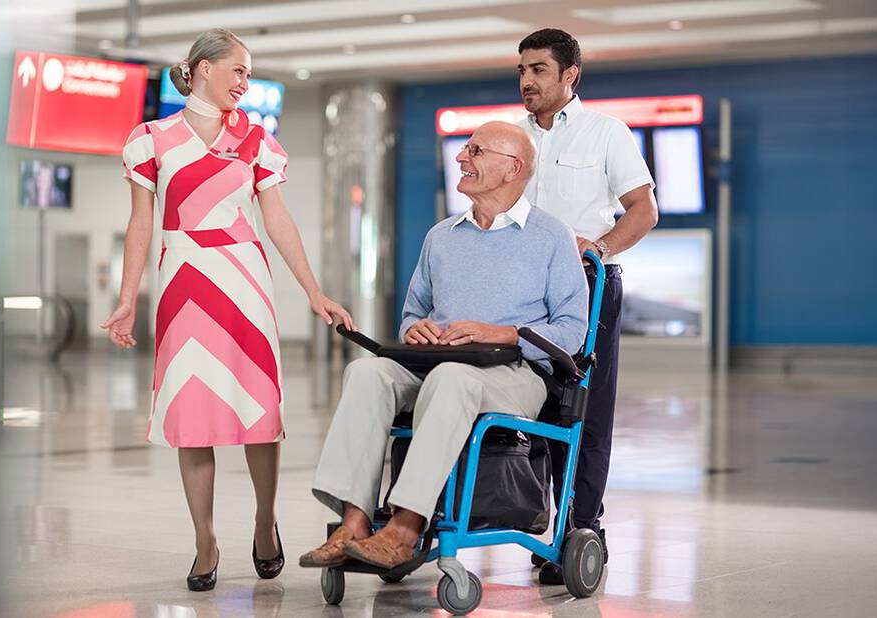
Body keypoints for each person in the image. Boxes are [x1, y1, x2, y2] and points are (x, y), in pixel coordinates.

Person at [102, 28, 353, 592]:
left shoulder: (256, 140)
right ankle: (205, 540)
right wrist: (126, 298)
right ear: (201, 69)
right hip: (183, 282)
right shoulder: (151, 138)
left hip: (244, 284)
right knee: (193, 422)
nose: (245, 81)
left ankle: (265, 522)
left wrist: (313, 291)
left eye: (248, 72)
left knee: (258, 415)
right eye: (237, 70)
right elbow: (141, 222)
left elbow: (278, 220)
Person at [299, 122, 588, 570]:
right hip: (439, 366)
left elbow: (572, 331)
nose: (461, 157)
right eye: (465, 149)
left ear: (513, 168)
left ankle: (404, 530)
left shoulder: (551, 237)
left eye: (475, 151)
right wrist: (416, 328)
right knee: (366, 372)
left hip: (516, 375)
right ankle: (353, 522)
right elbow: (415, 312)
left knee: (453, 380)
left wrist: (506, 332)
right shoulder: (442, 236)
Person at [515, 28, 659, 582]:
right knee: (533, 405)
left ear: (569, 74)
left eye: (539, 70)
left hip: (588, 285)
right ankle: (535, 519)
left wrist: (596, 249)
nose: (527, 80)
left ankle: (581, 526)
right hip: (521, 289)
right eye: (522, 70)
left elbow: (642, 211)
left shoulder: (606, 134)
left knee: (585, 409)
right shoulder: (511, 139)